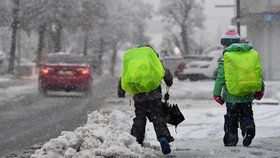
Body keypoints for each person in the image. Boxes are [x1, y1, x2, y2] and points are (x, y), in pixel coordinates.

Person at [213, 26, 265, 147]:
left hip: (231, 96)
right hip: (247, 94)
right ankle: (248, 128)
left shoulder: (225, 58)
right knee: (246, 114)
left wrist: (216, 93)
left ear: (226, 45)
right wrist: (260, 88)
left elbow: (221, 77)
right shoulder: (250, 55)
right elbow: (257, 72)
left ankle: (231, 137)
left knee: (231, 117)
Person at [118, 44, 174, 155]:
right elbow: (166, 74)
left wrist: (121, 92)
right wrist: (169, 82)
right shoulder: (153, 62)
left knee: (140, 118)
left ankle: (136, 140)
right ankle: (163, 137)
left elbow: (124, 77)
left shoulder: (134, 64)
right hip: (154, 95)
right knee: (157, 117)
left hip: (139, 97)